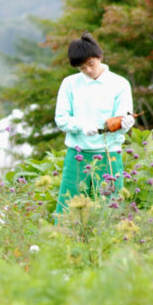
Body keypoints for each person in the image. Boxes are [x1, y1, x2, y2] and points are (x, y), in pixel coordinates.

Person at [53, 32, 134, 213]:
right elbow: (61, 119)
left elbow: (122, 119)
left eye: (91, 64)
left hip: (109, 154)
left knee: (109, 208)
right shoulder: (70, 84)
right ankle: (66, 239)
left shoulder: (120, 84)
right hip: (78, 154)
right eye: (82, 68)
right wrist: (82, 127)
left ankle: (106, 241)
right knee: (69, 206)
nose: (88, 71)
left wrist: (125, 125)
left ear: (99, 57)